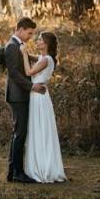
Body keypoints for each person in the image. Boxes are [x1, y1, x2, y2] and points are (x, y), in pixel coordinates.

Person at [20, 31, 67, 183]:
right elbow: (35, 57)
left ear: (46, 44)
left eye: (40, 40)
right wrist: (27, 53)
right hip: (38, 96)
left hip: (39, 98)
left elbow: (28, 71)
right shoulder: (44, 58)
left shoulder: (46, 60)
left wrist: (23, 53)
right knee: (39, 130)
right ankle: (41, 163)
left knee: (40, 130)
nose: (37, 41)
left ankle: (43, 168)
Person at [4, 17, 45, 183]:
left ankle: (12, 172)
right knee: (20, 134)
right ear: (20, 29)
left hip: (20, 95)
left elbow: (27, 61)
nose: (30, 37)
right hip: (18, 96)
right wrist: (31, 87)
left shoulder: (19, 46)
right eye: (29, 33)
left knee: (18, 134)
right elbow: (14, 73)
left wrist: (45, 58)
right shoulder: (11, 47)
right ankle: (18, 173)